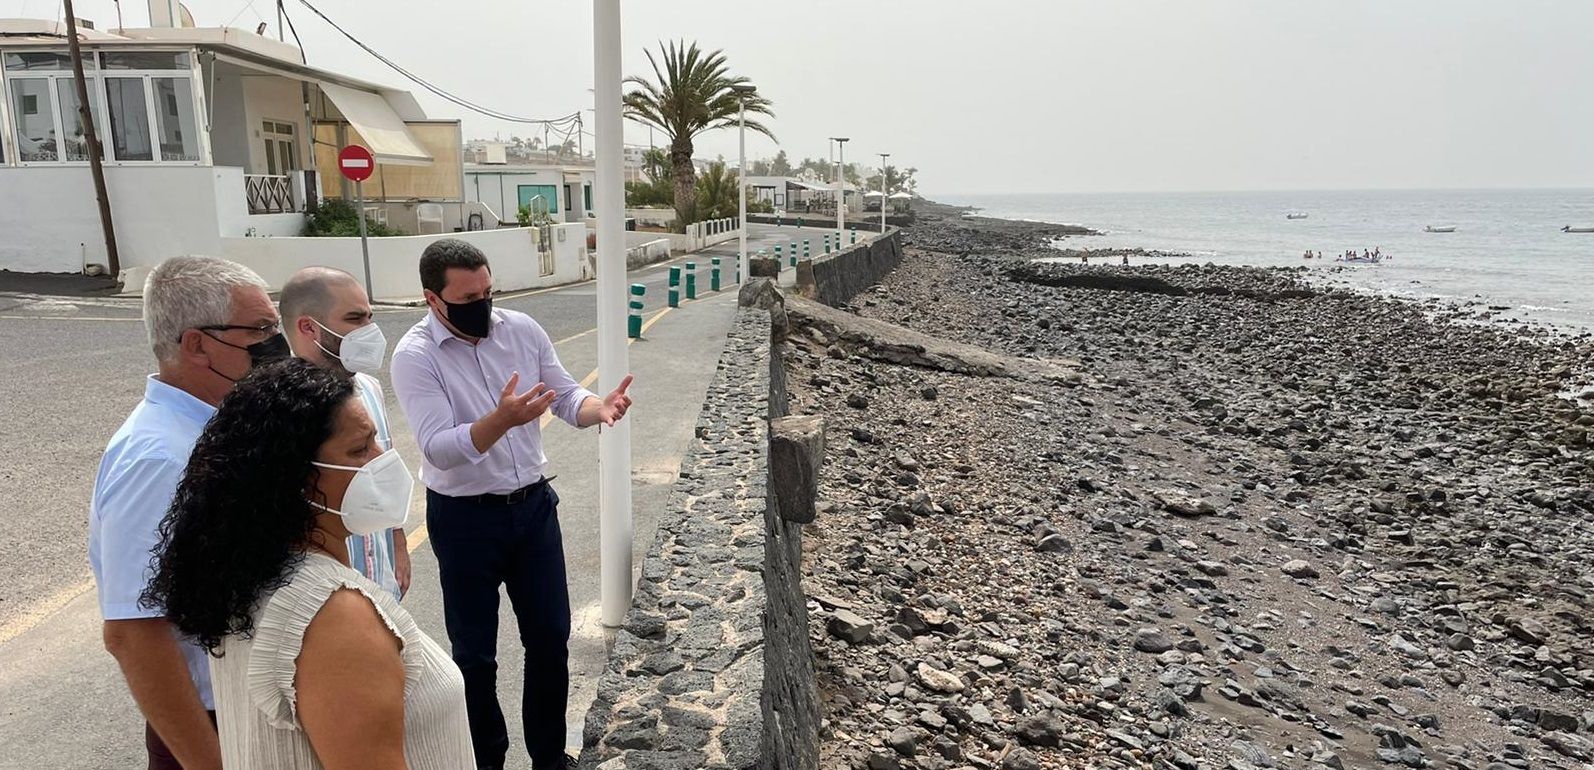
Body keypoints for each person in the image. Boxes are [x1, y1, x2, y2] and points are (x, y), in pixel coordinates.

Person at [141, 359, 474, 769]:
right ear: (294, 479)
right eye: (359, 449)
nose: (380, 459)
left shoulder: (247, 573)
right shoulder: (334, 615)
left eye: (375, 441)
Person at [390, 238, 634, 770]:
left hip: (532, 511)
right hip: (464, 520)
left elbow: (566, 394)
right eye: (468, 297)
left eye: (488, 292)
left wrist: (600, 407)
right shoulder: (414, 356)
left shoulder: (520, 329)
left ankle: (549, 757)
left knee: (550, 639)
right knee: (475, 658)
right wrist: (502, 420)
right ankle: (487, 761)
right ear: (433, 300)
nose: (483, 304)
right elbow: (437, 448)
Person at [89, 255, 286, 770]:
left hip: (257, 714)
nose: (276, 343)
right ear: (197, 344)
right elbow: (133, 633)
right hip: (216, 730)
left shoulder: (217, 428)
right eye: (261, 329)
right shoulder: (159, 459)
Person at [280, 266, 409, 600]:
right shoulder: (279, 409)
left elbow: (383, 478)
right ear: (308, 327)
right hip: (326, 596)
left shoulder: (369, 389)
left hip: (379, 583)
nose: (370, 330)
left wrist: (397, 544)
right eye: (354, 319)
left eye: (369, 317)